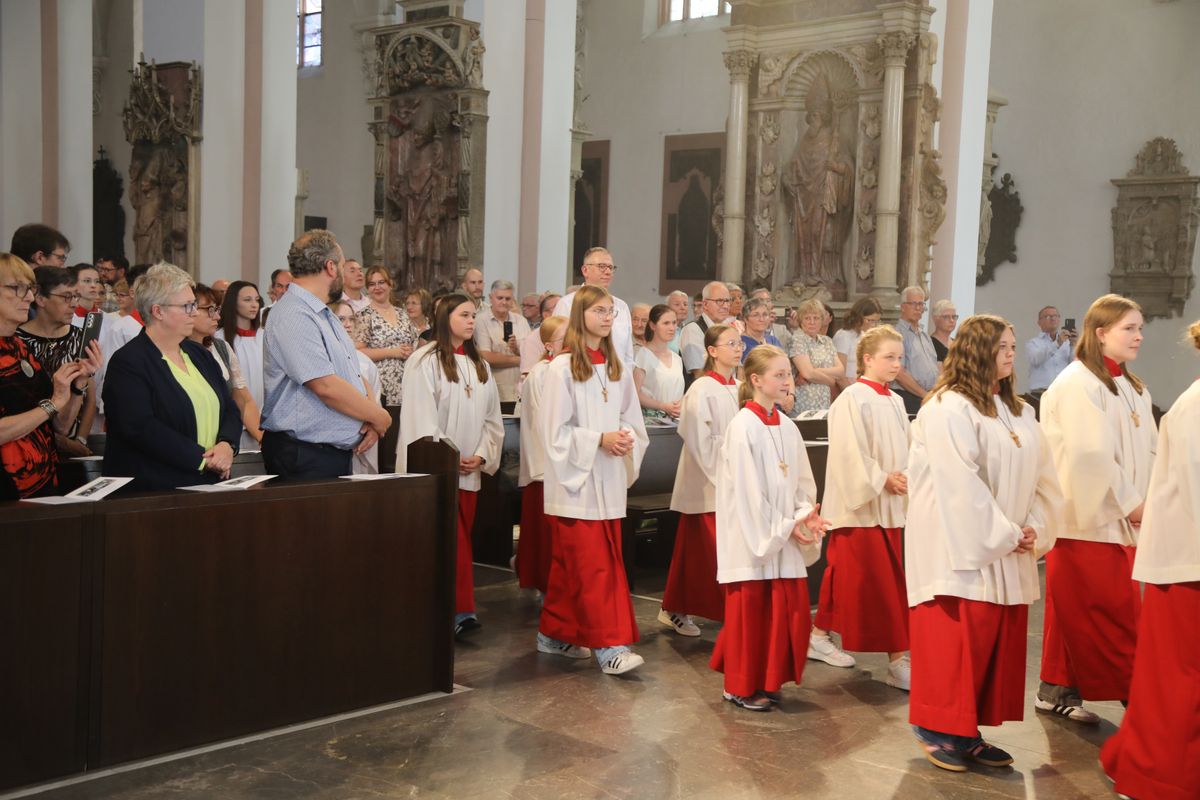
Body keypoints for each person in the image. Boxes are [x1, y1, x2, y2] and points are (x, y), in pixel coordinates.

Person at [905, 314, 1061, 772]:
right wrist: (1005, 533)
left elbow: (1044, 478)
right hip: (956, 547)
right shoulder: (947, 408)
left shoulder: (1020, 410)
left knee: (989, 641)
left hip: (1006, 542)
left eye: (1013, 346)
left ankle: (967, 731)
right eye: (1002, 347)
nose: (1011, 354)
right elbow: (959, 484)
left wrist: (1034, 525)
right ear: (976, 351)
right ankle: (936, 729)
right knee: (954, 641)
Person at [1037, 293, 1155, 722]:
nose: (1139, 336)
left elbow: (1151, 450)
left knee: (1074, 611)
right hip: (1087, 520)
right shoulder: (1077, 384)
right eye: (1129, 328)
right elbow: (1091, 456)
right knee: (1111, 615)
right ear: (1100, 332)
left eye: (1140, 328)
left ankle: (1056, 689)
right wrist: (1132, 503)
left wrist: (1151, 498)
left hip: (1121, 517)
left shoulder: (1129, 384)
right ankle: (1143, 702)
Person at [1100, 320, 1200, 800]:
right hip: (1189, 566)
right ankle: (1154, 779)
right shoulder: (1197, 406)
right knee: (1179, 687)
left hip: (1188, 562)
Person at [710, 344, 830, 711]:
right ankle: (740, 686)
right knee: (752, 615)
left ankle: (767, 679)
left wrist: (803, 515)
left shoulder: (789, 428)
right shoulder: (742, 427)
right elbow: (747, 494)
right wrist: (785, 526)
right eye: (778, 375)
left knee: (782, 614)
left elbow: (803, 484)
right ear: (756, 380)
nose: (786, 381)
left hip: (783, 535)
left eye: (788, 374)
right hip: (754, 539)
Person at [538, 285, 649, 675]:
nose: (607, 317)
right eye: (598, 311)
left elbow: (632, 419)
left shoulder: (615, 367)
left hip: (608, 477)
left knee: (575, 567)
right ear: (580, 315)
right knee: (593, 567)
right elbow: (553, 432)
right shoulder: (561, 368)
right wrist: (598, 440)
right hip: (577, 483)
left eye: (609, 312)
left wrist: (624, 438)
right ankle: (609, 645)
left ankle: (554, 633)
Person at [399, 293, 503, 638]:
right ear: (445, 318)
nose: (472, 321)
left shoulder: (480, 365)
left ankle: (456, 610)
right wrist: (448, 457)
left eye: (474, 315)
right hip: (437, 472)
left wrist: (483, 455)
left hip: (469, 469)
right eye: (465, 315)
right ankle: (455, 610)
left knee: (461, 541)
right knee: (446, 541)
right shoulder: (424, 361)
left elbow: (492, 420)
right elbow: (420, 419)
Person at [813, 325, 911, 687]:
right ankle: (898, 657)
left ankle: (818, 634)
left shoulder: (896, 400)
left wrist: (905, 476)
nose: (896, 364)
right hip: (861, 505)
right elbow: (846, 453)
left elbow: (908, 448)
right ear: (867, 359)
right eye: (889, 357)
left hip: (889, 504)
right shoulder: (852, 399)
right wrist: (882, 478)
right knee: (875, 583)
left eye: (900, 358)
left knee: (848, 579)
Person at [260, 230, 391, 480]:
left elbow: (351, 371)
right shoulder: (294, 314)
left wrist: (370, 416)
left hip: (327, 454)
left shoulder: (324, 313)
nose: (343, 272)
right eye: (343, 266)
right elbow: (325, 385)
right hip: (304, 455)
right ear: (330, 267)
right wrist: (379, 417)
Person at [102, 264, 241, 491]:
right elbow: (140, 428)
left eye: (194, 305)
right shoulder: (129, 362)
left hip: (208, 482)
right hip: (155, 488)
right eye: (187, 306)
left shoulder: (198, 354)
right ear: (158, 311)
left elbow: (229, 408)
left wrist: (227, 445)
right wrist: (204, 459)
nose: (195, 312)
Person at [662, 324, 741, 638]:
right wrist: (725, 469)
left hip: (732, 479)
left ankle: (674, 606)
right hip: (707, 480)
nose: (738, 348)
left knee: (694, 554)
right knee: (709, 550)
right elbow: (696, 437)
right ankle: (731, 613)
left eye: (739, 343)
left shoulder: (741, 386)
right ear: (711, 351)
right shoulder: (701, 388)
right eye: (730, 343)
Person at [0, 253, 98, 499]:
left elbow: (60, 426)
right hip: (8, 483)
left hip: (42, 478)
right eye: (17, 288)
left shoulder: (18, 347)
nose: (30, 297)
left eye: (30, 289)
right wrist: (51, 404)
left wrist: (75, 387)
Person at [515, 316, 567, 595]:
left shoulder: (560, 369)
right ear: (549, 346)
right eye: (564, 339)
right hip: (546, 464)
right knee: (545, 535)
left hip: (556, 462)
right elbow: (550, 420)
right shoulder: (544, 372)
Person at [18, 267, 92, 456]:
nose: (74, 304)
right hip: (27, 444)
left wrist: (80, 439)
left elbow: (90, 395)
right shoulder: (17, 341)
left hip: (73, 445)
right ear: (40, 299)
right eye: (67, 297)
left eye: (76, 296)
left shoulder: (81, 338)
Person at [190, 284, 263, 447]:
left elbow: (242, 399)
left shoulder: (221, 348)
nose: (216, 316)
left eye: (217, 309)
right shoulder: (173, 351)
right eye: (209, 310)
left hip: (225, 441)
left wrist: (262, 438)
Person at [552, 247, 635, 369]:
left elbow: (627, 354)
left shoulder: (621, 306)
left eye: (611, 268)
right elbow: (558, 346)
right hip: (580, 375)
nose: (607, 272)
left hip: (616, 377)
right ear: (585, 270)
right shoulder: (567, 304)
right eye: (601, 266)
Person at [356, 266, 419, 409]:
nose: (377, 287)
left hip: (407, 386)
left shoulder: (403, 314)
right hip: (381, 389)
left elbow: (413, 343)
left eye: (381, 282)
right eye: (372, 284)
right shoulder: (364, 316)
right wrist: (392, 352)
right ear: (367, 289)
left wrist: (409, 351)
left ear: (390, 284)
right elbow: (358, 353)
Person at [332, 300, 381, 474]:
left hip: (364, 439)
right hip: (333, 441)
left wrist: (375, 429)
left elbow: (376, 400)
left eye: (351, 319)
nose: (347, 324)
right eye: (341, 319)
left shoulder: (365, 362)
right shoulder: (323, 357)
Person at [215, 281, 265, 451]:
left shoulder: (265, 337)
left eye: (257, 300)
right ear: (232, 302)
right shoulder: (219, 339)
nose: (254, 305)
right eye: (247, 300)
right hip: (235, 423)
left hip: (266, 422)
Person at [474, 279, 530, 414]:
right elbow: (487, 357)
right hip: (495, 390)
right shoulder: (481, 320)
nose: (504, 302)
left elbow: (531, 353)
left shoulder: (520, 320)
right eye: (500, 298)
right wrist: (520, 360)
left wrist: (516, 349)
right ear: (491, 298)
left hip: (520, 389)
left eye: (508, 298)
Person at [789, 298, 849, 412]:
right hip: (803, 403)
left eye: (816, 318)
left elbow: (840, 371)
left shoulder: (827, 341)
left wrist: (814, 370)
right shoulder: (797, 340)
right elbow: (808, 374)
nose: (812, 322)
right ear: (801, 320)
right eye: (807, 318)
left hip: (824, 402)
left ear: (822, 320)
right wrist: (831, 381)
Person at [633, 304, 684, 423]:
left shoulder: (677, 358)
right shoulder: (643, 355)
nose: (672, 328)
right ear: (652, 325)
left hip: (676, 422)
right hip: (651, 422)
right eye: (666, 323)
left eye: (674, 323)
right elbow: (635, 393)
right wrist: (663, 406)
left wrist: (680, 404)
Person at [893, 285, 939, 414]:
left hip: (929, 396)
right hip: (909, 397)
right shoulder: (897, 334)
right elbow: (899, 373)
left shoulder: (925, 336)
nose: (919, 308)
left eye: (921, 304)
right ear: (903, 306)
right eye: (914, 304)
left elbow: (934, 368)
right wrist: (924, 395)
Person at [680, 281, 732, 380]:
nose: (725, 306)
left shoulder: (728, 330)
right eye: (719, 301)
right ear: (705, 304)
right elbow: (699, 373)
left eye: (727, 301)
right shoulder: (693, 330)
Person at [832, 296, 882, 380]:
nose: (874, 325)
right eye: (870, 320)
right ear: (859, 316)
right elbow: (839, 376)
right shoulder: (843, 336)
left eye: (877, 321)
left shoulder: (865, 335)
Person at [1027, 305, 1075, 392]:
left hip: (1064, 390)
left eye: (1055, 316)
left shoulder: (1067, 342)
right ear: (1039, 322)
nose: (1053, 319)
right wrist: (1057, 343)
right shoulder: (1034, 343)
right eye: (1048, 316)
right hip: (1041, 391)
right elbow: (1036, 359)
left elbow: (1074, 365)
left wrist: (1073, 345)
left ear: (1059, 319)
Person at [520, 293, 561, 376]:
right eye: (559, 307)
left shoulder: (568, 334)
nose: (564, 310)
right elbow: (529, 375)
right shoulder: (532, 340)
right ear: (546, 315)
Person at [666, 289, 690, 354]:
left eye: (685, 304)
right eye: (677, 304)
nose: (682, 308)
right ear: (668, 308)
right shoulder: (662, 331)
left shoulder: (689, 330)